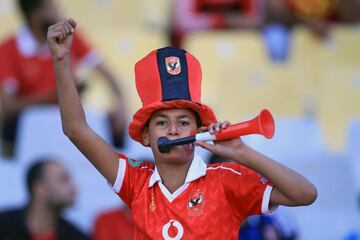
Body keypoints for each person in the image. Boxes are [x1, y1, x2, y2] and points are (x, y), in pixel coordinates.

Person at [47, 18, 317, 239]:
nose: (173, 130)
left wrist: (243, 152)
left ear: (199, 132)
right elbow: (75, 129)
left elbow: (306, 194)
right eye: (162, 122)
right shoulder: (134, 181)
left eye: (184, 122)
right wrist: (61, 61)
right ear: (145, 136)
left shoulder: (227, 178)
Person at [0, 0, 127, 158]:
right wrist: (56, 96)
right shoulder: (8, 49)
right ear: (34, 15)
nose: (57, 10)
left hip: (69, 122)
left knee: (117, 126)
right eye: (50, 7)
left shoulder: (70, 37)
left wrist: (121, 103)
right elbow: (9, 107)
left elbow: (107, 73)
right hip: (33, 128)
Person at [0, 158, 89, 240]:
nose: (74, 187)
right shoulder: (4, 225)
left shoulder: (76, 236)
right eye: (64, 179)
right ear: (40, 189)